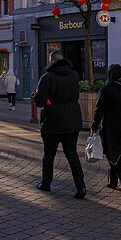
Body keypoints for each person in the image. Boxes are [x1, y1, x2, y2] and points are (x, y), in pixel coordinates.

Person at [33, 50, 87, 199]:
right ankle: (81, 186)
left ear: (51, 61)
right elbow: (75, 95)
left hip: (53, 121)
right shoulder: (74, 76)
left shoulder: (47, 78)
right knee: (72, 154)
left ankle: (46, 183)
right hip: (72, 120)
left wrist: (46, 100)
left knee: (49, 155)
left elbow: (40, 101)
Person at [91, 64, 121, 194]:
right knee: (119, 153)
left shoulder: (106, 89)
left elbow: (99, 109)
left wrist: (94, 126)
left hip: (112, 126)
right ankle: (113, 182)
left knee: (111, 154)